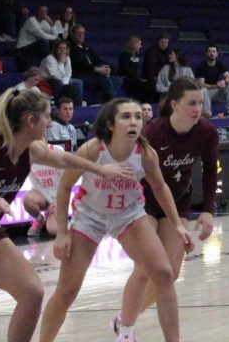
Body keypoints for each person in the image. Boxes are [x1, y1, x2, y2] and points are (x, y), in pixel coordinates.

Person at [0, 88, 133, 342]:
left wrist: (100, 169)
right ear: (31, 120)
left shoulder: (32, 150)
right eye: (46, 116)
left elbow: (63, 159)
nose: (50, 122)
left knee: (32, 293)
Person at [38, 99, 190, 342]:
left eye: (138, 117)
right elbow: (65, 186)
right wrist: (62, 233)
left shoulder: (146, 154)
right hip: (90, 218)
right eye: (126, 117)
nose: (134, 122)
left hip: (128, 215)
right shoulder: (93, 149)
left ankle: (143, 335)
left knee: (163, 273)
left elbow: (160, 187)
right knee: (66, 291)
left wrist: (177, 224)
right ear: (110, 124)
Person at [115, 77, 219, 342]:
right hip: (144, 202)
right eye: (191, 103)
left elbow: (209, 171)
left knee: (169, 273)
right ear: (174, 104)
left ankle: (125, 317)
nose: (198, 108)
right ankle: (126, 332)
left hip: (178, 203)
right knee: (145, 265)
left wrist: (207, 210)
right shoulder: (153, 132)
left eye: (200, 103)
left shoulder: (207, 132)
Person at [69, 25, 115, 103]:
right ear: (73, 34)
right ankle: (110, 103)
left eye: (82, 33)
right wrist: (97, 70)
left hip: (92, 73)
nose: (81, 35)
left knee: (112, 72)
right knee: (102, 79)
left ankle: (108, 101)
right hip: (80, 74)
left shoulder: (86, 47)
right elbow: (81, 64)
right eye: (78, 33)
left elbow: (97, 59)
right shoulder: (71, 48)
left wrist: (107, 67)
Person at [194, 44, 229, 117]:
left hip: (216, 91)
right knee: (203, 90)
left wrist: (224, 81)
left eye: (214, 51)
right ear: (206, 54)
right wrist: (216, 85)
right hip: (206, 92)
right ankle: (207, 114)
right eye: (210, 51)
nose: (212, 53)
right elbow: (201, 84)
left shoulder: (219, 64)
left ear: (217, 54)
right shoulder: (201, 66)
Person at [15, 5, 57, 71]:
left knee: (55, 42)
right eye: (42, 11)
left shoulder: (45, 22)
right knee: (44, 41)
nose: (44, 13)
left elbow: (55, 35)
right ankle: (47, 63)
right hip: (23, 47)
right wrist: (56, 38)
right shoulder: (31, 21)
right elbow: (42, 35)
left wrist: (52, 24)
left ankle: (53, 62)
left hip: (33, 47)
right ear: (38, 12)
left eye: (45, 11)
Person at [42, 39, 83, 105]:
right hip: (47, 79)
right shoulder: (50, 58)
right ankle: (59, 105)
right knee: (59, 83)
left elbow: (69, 73)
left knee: (78, 82)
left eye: (65, 48)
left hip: (62, 79)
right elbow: (54, 75)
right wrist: (61, 63)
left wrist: (65, 84)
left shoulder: (67, 58)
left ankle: (77, 106)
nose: (63, 50)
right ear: (56, 49)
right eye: (60, 48)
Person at [120, 35, 149, 102]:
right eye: (139, 44)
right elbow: (125, 69)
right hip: (125, 77)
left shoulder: (135, 55)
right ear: (133, 44)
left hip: (133, 78)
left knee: (146, 84)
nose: (140, 46)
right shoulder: (124, 54)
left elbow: (135, 68)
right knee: (140, 85)